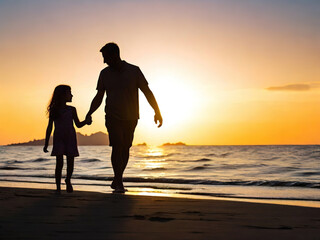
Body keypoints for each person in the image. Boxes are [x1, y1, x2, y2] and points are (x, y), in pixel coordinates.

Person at [86, 42, 162, 193]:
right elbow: (99, 96)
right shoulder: (104, 74)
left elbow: (147, 91)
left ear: (115, 55)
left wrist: (157, 111)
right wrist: (89, 112)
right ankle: (119, 181)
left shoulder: (134, 71)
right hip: (112, 116)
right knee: (117, 146)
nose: (104, 61)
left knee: (126, 147)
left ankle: (117, 177)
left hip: (131, 116)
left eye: (105, 57)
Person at [43, 85, 91, 193]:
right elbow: (49, 127)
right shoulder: (54, 110)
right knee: (59, 163)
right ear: (62, 95)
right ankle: (58, 187)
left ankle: (68, 180)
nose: (72, 95)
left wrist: (86, 122)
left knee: (70, 161)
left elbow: (78, 125)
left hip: (70, 137)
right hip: (59, 138)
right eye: (69, 93)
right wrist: (46, 143)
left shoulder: (72, 110)